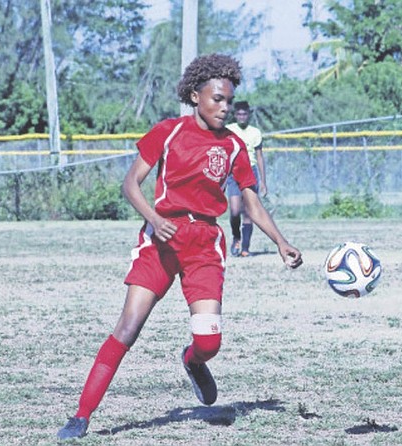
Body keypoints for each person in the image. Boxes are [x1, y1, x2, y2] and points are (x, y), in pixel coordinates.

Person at [57, 54, 303, 440]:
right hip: (160, 241)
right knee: (128, 327)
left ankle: (193, 360)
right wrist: (155, 220)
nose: (224, 107)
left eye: (228, 100)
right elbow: (130, 185)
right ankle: (81, 416)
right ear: (195, 95)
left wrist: (281, 242)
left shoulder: (236, 146)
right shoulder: (168, 132)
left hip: (205, 244)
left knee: (210, 341)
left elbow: (251, 200)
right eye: (217, 98)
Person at [225, 101, 268, 257]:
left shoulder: (255, 132)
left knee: (249, 212)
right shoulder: (228, 130)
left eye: (244, 114)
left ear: (248, 114)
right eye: (239, 114)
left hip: (251, 171)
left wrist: (263, 181)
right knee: (235, 210)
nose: (242, 117)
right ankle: (236, 236)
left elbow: (259, 156)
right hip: (233, 172)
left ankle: (245, 248)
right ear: (235, 115)